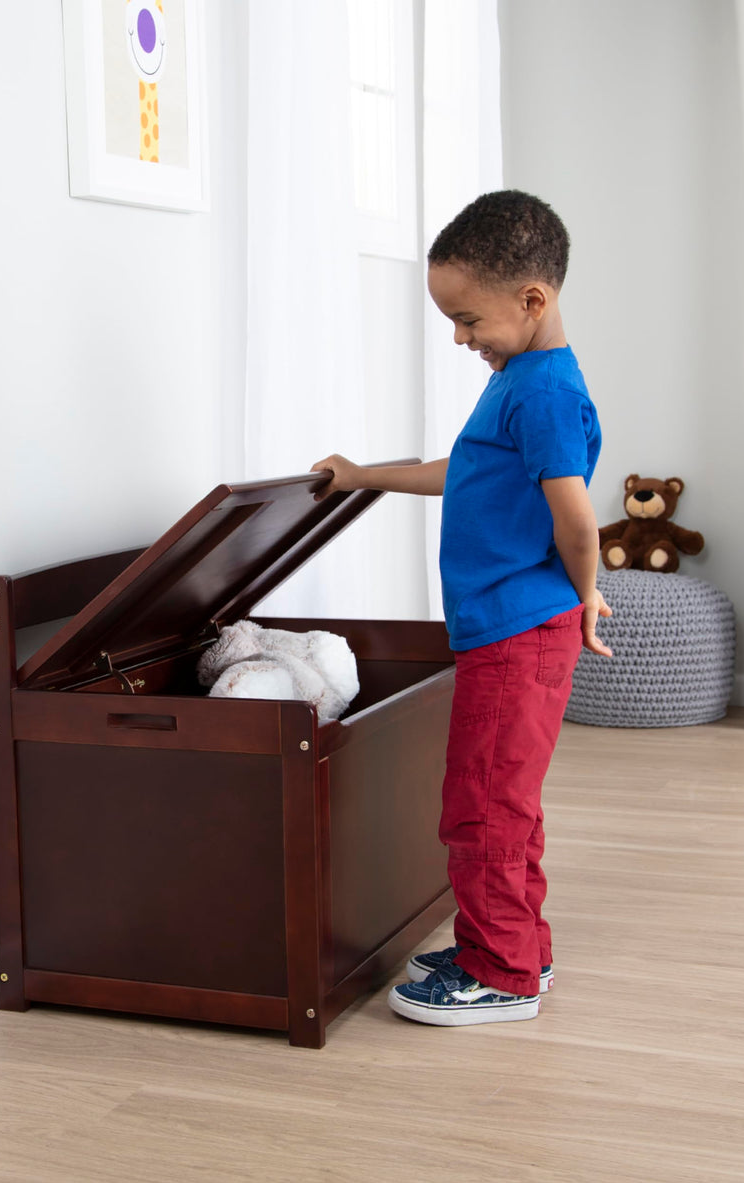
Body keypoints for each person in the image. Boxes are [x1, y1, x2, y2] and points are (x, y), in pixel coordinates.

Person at [312, 189, 610, 1027]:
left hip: (519, 632)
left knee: (480, 808)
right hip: (510, 627)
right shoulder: (524, 379)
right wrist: (365, 474)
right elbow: (469, 471)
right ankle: (516, 946)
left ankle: (502, 974)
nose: (459, 337)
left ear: (531, 300)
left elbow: (577, 517)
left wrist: (589, 597)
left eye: (467, 319)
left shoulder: (543, 392)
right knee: (506, 803)